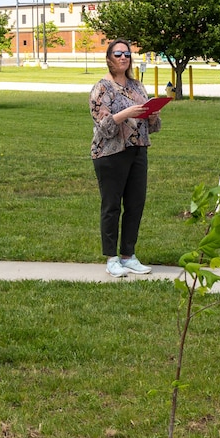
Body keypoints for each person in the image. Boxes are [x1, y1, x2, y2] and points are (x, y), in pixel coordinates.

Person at [88, 41, 161, 277]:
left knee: (135, 204)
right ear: (109, 57)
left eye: (127, 54)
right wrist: (127, 113)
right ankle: (112, 258)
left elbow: (154, 127)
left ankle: (128, 255)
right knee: (111, 206)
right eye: (118, 53)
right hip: (110, 153)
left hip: (138, 150)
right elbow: (104, 128)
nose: (123, 57)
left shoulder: (137, 86)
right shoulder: (101, 88)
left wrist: (152, 114)